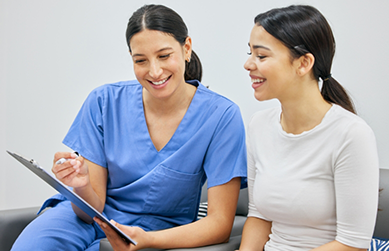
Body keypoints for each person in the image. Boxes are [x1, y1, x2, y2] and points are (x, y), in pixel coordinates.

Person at [11, 4, 247, 251]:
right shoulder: (104, 102)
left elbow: (219, 225)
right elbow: (90, 210)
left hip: (155, 232)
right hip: (83, 219)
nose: (154, 72)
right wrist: (81, 185)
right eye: (141, 60)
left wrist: (148, 240)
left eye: (164, 56)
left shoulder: (221, 117)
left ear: (186, 48)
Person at [238, 5, 379, 251]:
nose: (248, 64)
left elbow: (352, 244)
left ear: (304, 63)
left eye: (261, 56)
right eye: (250, 53)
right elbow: (259, 216)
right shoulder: (258, 126)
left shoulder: (351, 134)